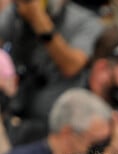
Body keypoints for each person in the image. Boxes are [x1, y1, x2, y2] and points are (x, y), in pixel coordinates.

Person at [0, 0, 103, 145]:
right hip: (14, 116)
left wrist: (39, 20)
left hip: (57, 127)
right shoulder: (16, 12)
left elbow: (72, 66)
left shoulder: (86, 21)